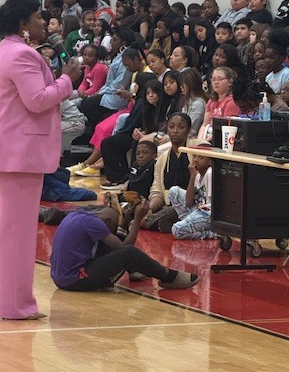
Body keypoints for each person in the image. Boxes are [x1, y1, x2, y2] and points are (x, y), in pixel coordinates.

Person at [0, 0, 80, 320]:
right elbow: (37, 100)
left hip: (14, 149)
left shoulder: (8, 49)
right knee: (18, 232)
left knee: (13, 230)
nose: (43, 22)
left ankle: (6, 297)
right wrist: (67, 79)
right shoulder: (21, 53)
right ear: (24, 23)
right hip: (20, 151)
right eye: (38, 17)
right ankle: (15, 305)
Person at [50, 199, 200, 291]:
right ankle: (169, 277)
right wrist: (137, 221)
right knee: (128, 253)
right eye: (112, 227)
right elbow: (124, 250)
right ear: (107, 222)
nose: (111, 232)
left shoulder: (77, 214)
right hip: (73, 280)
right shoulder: (94, 224)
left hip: (60, 278)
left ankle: (134, 271)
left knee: (108, 244)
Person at [147, 112, 192, 231]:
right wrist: (149, 209)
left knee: (166, 213)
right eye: (171, 127)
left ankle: (144, 222)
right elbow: (157, 190)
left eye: (181, 127)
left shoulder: (197, 151)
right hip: (167, 206)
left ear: (188, 130)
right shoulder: (162, 159)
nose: (175, 131)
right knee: (140, 208)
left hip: (192, 206)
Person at [168, 147, 215, 240]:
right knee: (173, 191)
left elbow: (210, 207)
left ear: (210, 162)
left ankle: (211, 234)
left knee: (176, 230)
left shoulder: (210, 173)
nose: (195, 160)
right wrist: (192, 176)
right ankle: (187, 223)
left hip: (208, 214)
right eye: (195, 156)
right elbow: (188, 202)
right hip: (199, 209)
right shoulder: (198, 175)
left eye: (201, 158)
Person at [197, 67, 240, 141]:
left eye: (220, 79)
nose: (216, 82)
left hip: (220, 139)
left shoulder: (231, 102)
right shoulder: (211, 101)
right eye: (213, 79)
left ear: (230, 82)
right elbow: (204, 125)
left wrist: (205, 142)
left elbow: (225, 128)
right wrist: (199, 141)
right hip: (208, 134)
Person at [264, 29, 289, 95]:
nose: (267, 61)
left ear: (282, 58)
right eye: (265, 57)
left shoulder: (287, 74)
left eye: (271, 58)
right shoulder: (268, 77)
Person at [180, 68, 207, 138]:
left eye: (183, 84)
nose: (181, 87)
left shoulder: (199, 103)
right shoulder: (188, 100)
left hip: (191, 139)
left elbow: (192, 129)